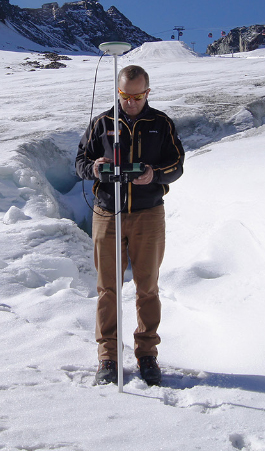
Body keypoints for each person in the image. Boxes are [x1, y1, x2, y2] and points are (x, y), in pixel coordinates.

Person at [75, 65, 185, 386]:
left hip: (148, 214)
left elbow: (177, 164)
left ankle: (147, 354)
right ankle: (107, 357)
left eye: (138, 96)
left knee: (147, 287)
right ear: (118, 91)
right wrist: (94, 167)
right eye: (125, 96)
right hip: (108, 213)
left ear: (147, 93)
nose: (131, 103)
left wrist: (156, 174)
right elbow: (80, 160)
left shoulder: (161, 124)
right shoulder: (102, 124)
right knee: (108, 287)